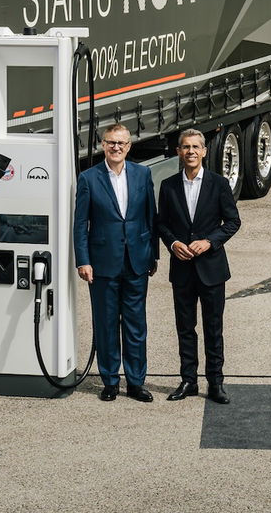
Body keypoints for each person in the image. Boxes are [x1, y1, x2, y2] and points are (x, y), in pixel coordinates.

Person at [73, 122, 158, 402]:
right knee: (106, 324)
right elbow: (80, 223)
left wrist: (153, 254)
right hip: (102, 264)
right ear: (102, 145)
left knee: (135, 325)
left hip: (136, 262)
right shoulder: (88, 178)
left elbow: (150, 217)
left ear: (129, 145)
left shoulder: (143, 174)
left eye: (121, 143)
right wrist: (83, 260)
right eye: (111, 142)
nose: (116, 147)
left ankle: (136, 382)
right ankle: (110, 380)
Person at [156, 128, 241, 404]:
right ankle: (188, 381)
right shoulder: (168, 186)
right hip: (182, 269)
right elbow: (162, 223)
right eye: (185, 147)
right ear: (179, 152)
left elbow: (232, 222)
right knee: (185, 327)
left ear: (204, 151)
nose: (190, 151)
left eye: (196, 147)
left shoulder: (219, 184)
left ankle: (215, 382)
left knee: (213, 328)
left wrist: (210, 242)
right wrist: (172, 243)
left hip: (212, 269)